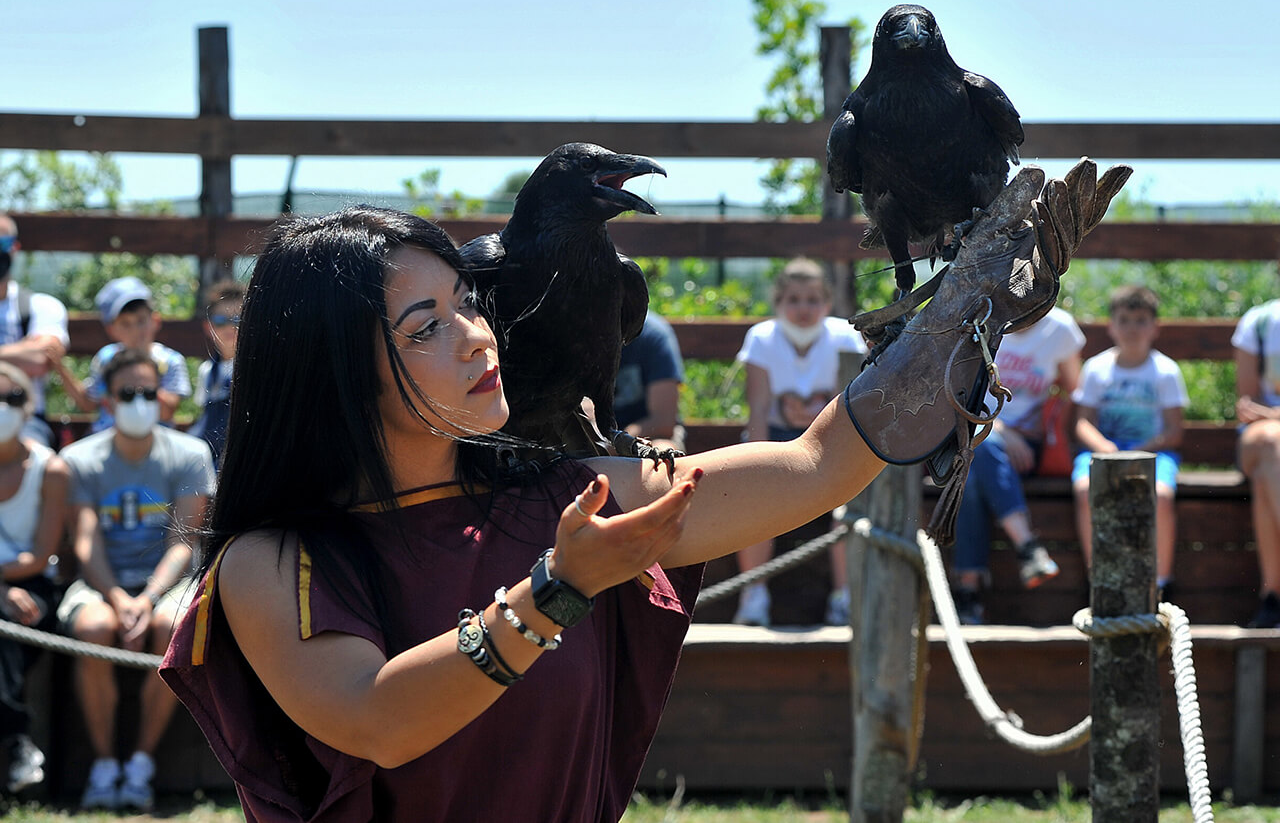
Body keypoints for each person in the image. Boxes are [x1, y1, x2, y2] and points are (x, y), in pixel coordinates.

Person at [152, 191, 1069, 822]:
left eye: (466, 303)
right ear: (336, 374)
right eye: (425, 328)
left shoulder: (573, 492)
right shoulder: (270, 562)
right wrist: (558, 587)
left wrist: (960, 311)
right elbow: (377, 720)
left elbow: (814, 463)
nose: (477, 334)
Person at [56, 347, 214, 810]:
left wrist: (145, 597)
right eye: (129, 392)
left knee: (171, 628)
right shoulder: (79, 459)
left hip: (167, 582)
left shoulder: (190, 453)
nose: (140, 401)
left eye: (149, 391)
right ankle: (105, 765)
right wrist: (116, 598)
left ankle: (141, 763)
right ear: (107, 398)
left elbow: (183, 541)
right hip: (102, 581)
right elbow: (86, 543)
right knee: (91, 629)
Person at [731, 258, 866, 627]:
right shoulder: (761, 338)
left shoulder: (844, 337)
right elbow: (758, 409)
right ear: (779, 302)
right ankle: (753, 594)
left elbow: (850, 405)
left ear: (826, 302)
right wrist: (757, 464)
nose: (803, 308)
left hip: (832, 442)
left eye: (811, 299)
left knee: (847, 511)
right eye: (793, 299)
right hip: (775, 441)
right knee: (753, 504)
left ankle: (845, 597)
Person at [950, 306, 1084, 624]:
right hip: (980, 432)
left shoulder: (1060, 329)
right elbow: (960, 392)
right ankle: (1026, 545)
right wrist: (1000, 431)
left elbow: (1075, 393)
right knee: (975, 460)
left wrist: (1048, 424)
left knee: (972, 464)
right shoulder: (980, 324)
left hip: (1031, 445)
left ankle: (968, 591)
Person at [1072, 285, 1187, 595]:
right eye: (1124, 319)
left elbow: (1174, 432)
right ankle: (1097, 578)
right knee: (1085, 489)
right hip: (1104, 450)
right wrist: (1104, 447)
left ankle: (1161, 582)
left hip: (1153, 452)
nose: (1132, 328)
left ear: (1154, 327)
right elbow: (1083, 422)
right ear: (1111, 326)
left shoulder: (1165, 372)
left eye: (1140, 320)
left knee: (1161, 496)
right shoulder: (1097, 368)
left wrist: (1138, 450)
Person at [0, 361, 69, 793]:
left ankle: (18, 739)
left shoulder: (51, 468)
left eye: (12, 398)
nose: (2, 407)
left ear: (29, 407)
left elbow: (38, 555)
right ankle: (18, 736)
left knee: (7, 630)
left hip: (33, 587)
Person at [51, 276, 193, 433]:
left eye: (141, 320)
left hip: (154, 441)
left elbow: (167, 412)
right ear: (111, 330)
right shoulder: (105, 358)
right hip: (107, 437)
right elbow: (89, 403)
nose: (135, 330)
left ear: (155, 320)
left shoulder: (170, 360)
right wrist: (59, 367)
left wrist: (138, 381)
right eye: (125, 323)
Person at [0, 214, 71, 449]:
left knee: (38, 462)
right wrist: (22, 350)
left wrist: (34, 353)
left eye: (2, 244)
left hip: (27, 421)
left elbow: (41, 359)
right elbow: (32, 357)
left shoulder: (42, 306)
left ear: (15, 248)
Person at [1230, 296, 1280, 627]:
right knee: (1271, 441)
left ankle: (1272, 598)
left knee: (1266, 478)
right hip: (1262, 436)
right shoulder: (1260, 321)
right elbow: (1248, 405)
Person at [187, 280, 245, 467]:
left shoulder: (256, 370)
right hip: (211, 457)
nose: (230, 327)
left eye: (237, 320)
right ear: (208, 327)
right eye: (220, 321)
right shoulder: (207, 371)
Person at [613, 310, 685, 454]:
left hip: (647, 433)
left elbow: (663, 421)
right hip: (594, 436)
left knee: (663, 452)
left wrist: (619, 441)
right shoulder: (573, 332)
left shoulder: (654, 334)